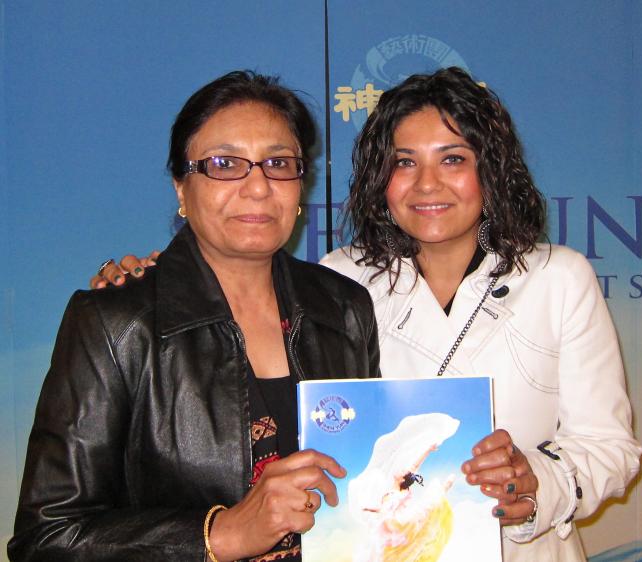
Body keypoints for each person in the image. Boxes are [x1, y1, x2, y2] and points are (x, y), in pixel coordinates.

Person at [90, 67, 641, 560]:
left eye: (453, 159)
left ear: (490, 174)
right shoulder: (341, 282)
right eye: (405, 162)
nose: (428, 184)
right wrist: (159, 277)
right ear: (382, 180)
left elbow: (610, 448)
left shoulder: (557, 278)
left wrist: (536, 484)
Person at [8, 71, 380, 562]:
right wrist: (217, 535)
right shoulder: (116, 324)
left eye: (278, 163)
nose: (257, 186)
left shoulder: (345, 307)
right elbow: (47, 537)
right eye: (225, 164)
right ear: (182, 189)